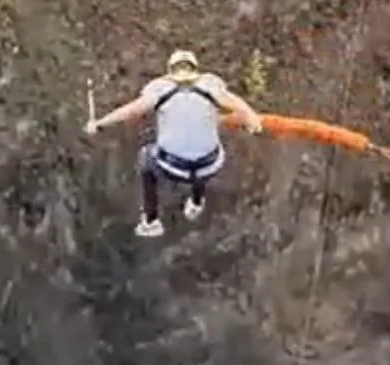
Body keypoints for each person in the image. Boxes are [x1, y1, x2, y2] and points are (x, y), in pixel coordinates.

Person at [85, 49, 263, 237]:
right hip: (209, 165)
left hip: (172, 166)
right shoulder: (211, 86)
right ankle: (196, 201)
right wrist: (252, 119)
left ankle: (151, 220)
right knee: (205, 152)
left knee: (145, 157)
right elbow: (236, 102)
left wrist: (99, 124)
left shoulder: (159, 90)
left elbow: (131, 111)